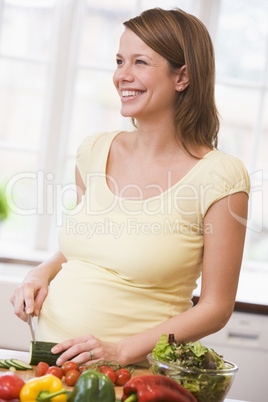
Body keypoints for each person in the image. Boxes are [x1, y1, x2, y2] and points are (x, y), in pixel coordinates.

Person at [11, 8, 250, 367]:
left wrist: (121, 350)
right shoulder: (95, 151)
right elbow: (93, 247)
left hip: (133, 377)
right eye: (120, 61)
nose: (122, 75)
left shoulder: (220, 177)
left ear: (182, 76)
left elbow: (216, 308)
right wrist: (41, 271)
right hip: (51, 367)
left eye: (140, 62)